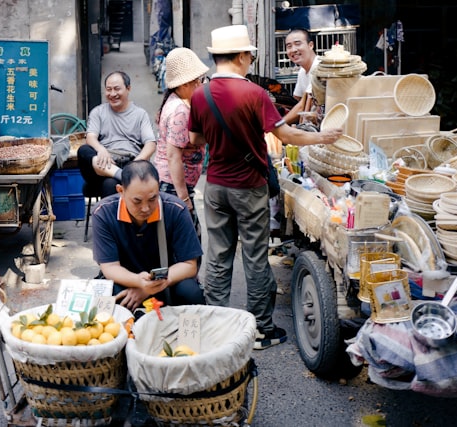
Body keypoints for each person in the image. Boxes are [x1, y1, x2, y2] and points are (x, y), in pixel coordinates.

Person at [188, 24, 342, 350]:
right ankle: (260, 331)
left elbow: (194, 139)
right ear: (243, 56)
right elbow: (285, 136)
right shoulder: (254, 94)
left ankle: (215, 328)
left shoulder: (200, 95)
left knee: (217, 258)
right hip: (248, 186)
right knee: (256, 258)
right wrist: (322, 137)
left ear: (217, 57)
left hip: (214, 186)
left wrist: (219, 136)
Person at [91, 160, 205, 311]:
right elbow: (110, 267)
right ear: (121, 191)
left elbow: (189, 265)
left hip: (167, 281)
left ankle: (187, 335)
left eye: (153, 199)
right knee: (108, 302)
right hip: (126, 280)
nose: (145, 208)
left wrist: (150, 288)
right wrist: (138, 282)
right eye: (137, 201)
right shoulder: (103, 213)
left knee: (191, 294)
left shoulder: (175, 209)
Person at [154, 47, 209, 237]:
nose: (202, 85)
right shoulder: (180, 111)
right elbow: (173, 157)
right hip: (173, 186)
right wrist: (184, 198)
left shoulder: (174, 101)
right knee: (189, 241)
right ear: (185, 84)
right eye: (199, 82)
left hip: (173, 184)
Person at [78, 71, 157, 197]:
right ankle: (123, 175)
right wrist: (101, 149)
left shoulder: (140, 114)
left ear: (128, 88)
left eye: (117, 89)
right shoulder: (98, 112)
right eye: (109, 89)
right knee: (83, 150)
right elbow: (91, 137)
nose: (112, 94)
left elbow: (151, 144)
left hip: (130, 162)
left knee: (110, 185)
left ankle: (125, 175)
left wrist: (136, 165)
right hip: (103, 163)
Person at [282, 28, 320, 125]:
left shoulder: (319, 68)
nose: (293, 50)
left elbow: (302, 105)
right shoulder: (302, 71)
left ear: (310, 45)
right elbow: (296, 100)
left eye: (298, 44)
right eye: (289, 46)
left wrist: (278, 125)